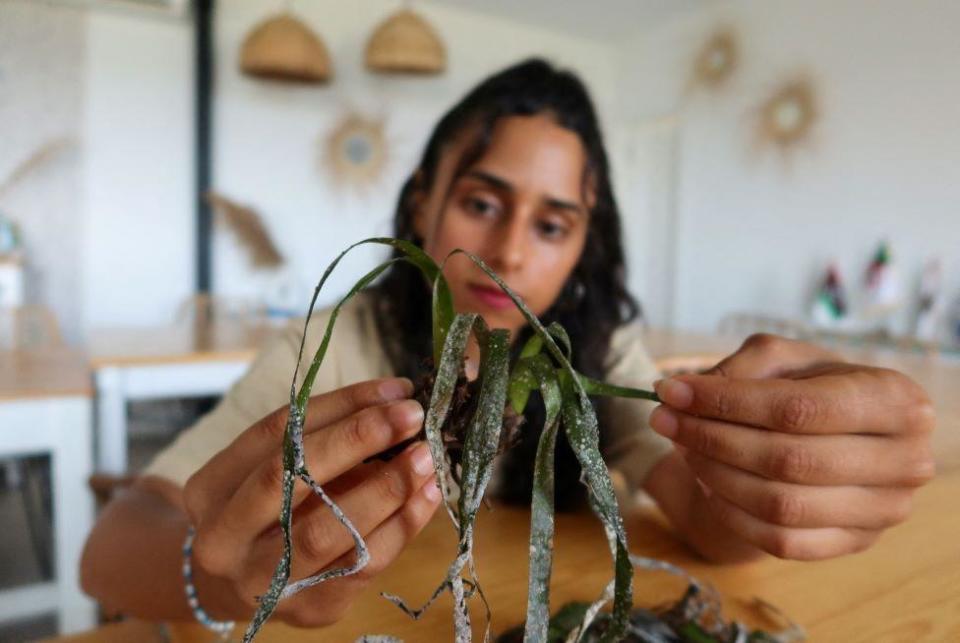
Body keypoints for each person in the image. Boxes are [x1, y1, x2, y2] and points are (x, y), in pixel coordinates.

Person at [80, 59, 935, 630]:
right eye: (483, 203)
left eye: (553, 223)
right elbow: (111, 550)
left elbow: (703, 522)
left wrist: (769, 476)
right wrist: (232, 574)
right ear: (423, 204)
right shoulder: (342, 347)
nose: (512, 251)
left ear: (582, 245)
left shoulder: (600, 358)